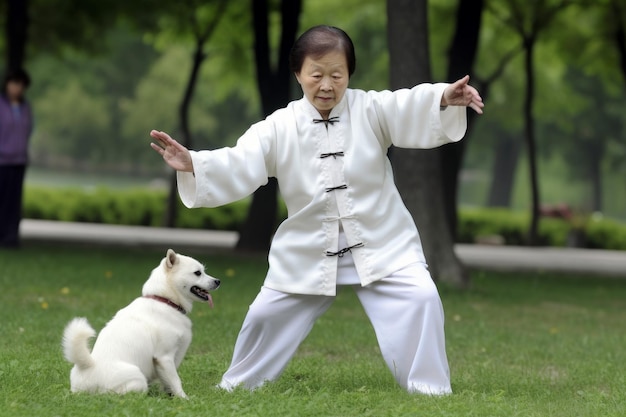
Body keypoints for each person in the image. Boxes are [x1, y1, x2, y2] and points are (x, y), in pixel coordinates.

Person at [150, 25, 483, 395]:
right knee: (265, 315)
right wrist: (194, 163)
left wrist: (441, 98)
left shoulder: (369, 109)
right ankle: (237, 386)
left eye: (337, 75)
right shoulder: (280, 126)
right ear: (298, 74)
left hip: (381, 242)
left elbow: (406, 104)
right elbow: (240, 161)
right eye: (317, 74)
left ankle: (429, 390)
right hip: (308, 249)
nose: (327, 85)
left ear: (349, 74)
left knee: (421, 297)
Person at [0, 68, 33, 248]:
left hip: (19, 161)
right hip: (1, 161)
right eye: (14, 83)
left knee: (14, 203)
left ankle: (10, 236)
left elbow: (28, 131)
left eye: (20, 84)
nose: (17, 88)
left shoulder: (25, 108)